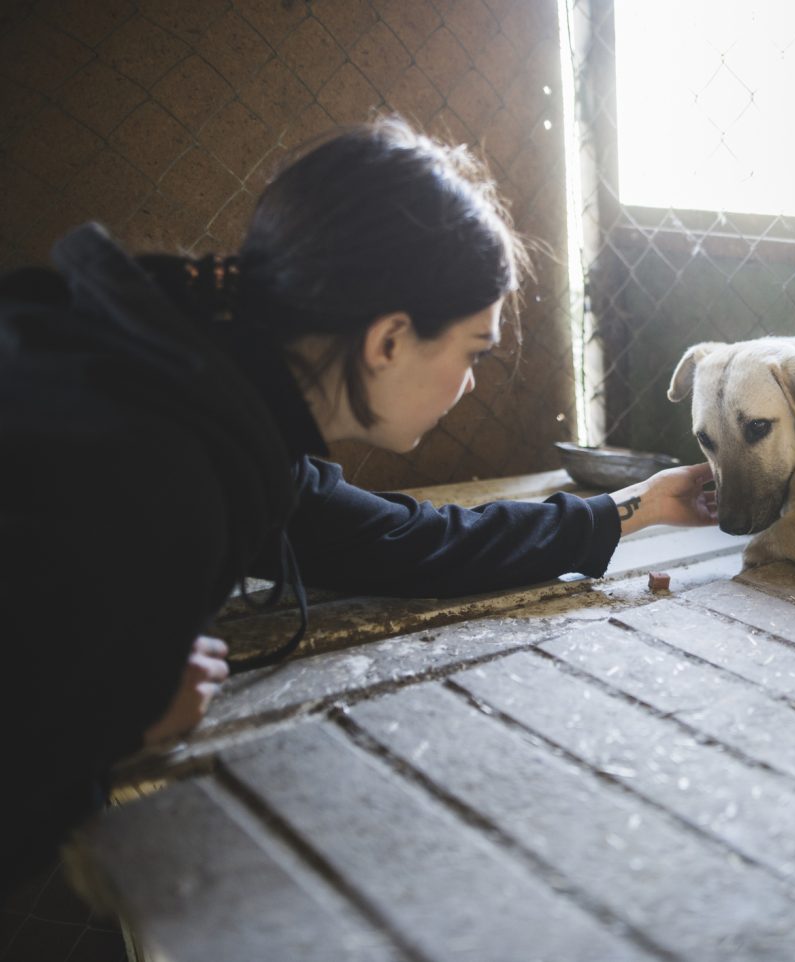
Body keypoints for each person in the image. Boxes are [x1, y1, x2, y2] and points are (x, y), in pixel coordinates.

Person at [0, 115, 716, 892]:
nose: (470, 383)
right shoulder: (170, 469)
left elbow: (396, 542)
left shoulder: (218, 396)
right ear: (388, 341)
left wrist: (630, 507)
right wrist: (114, 718)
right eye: (473, 351)